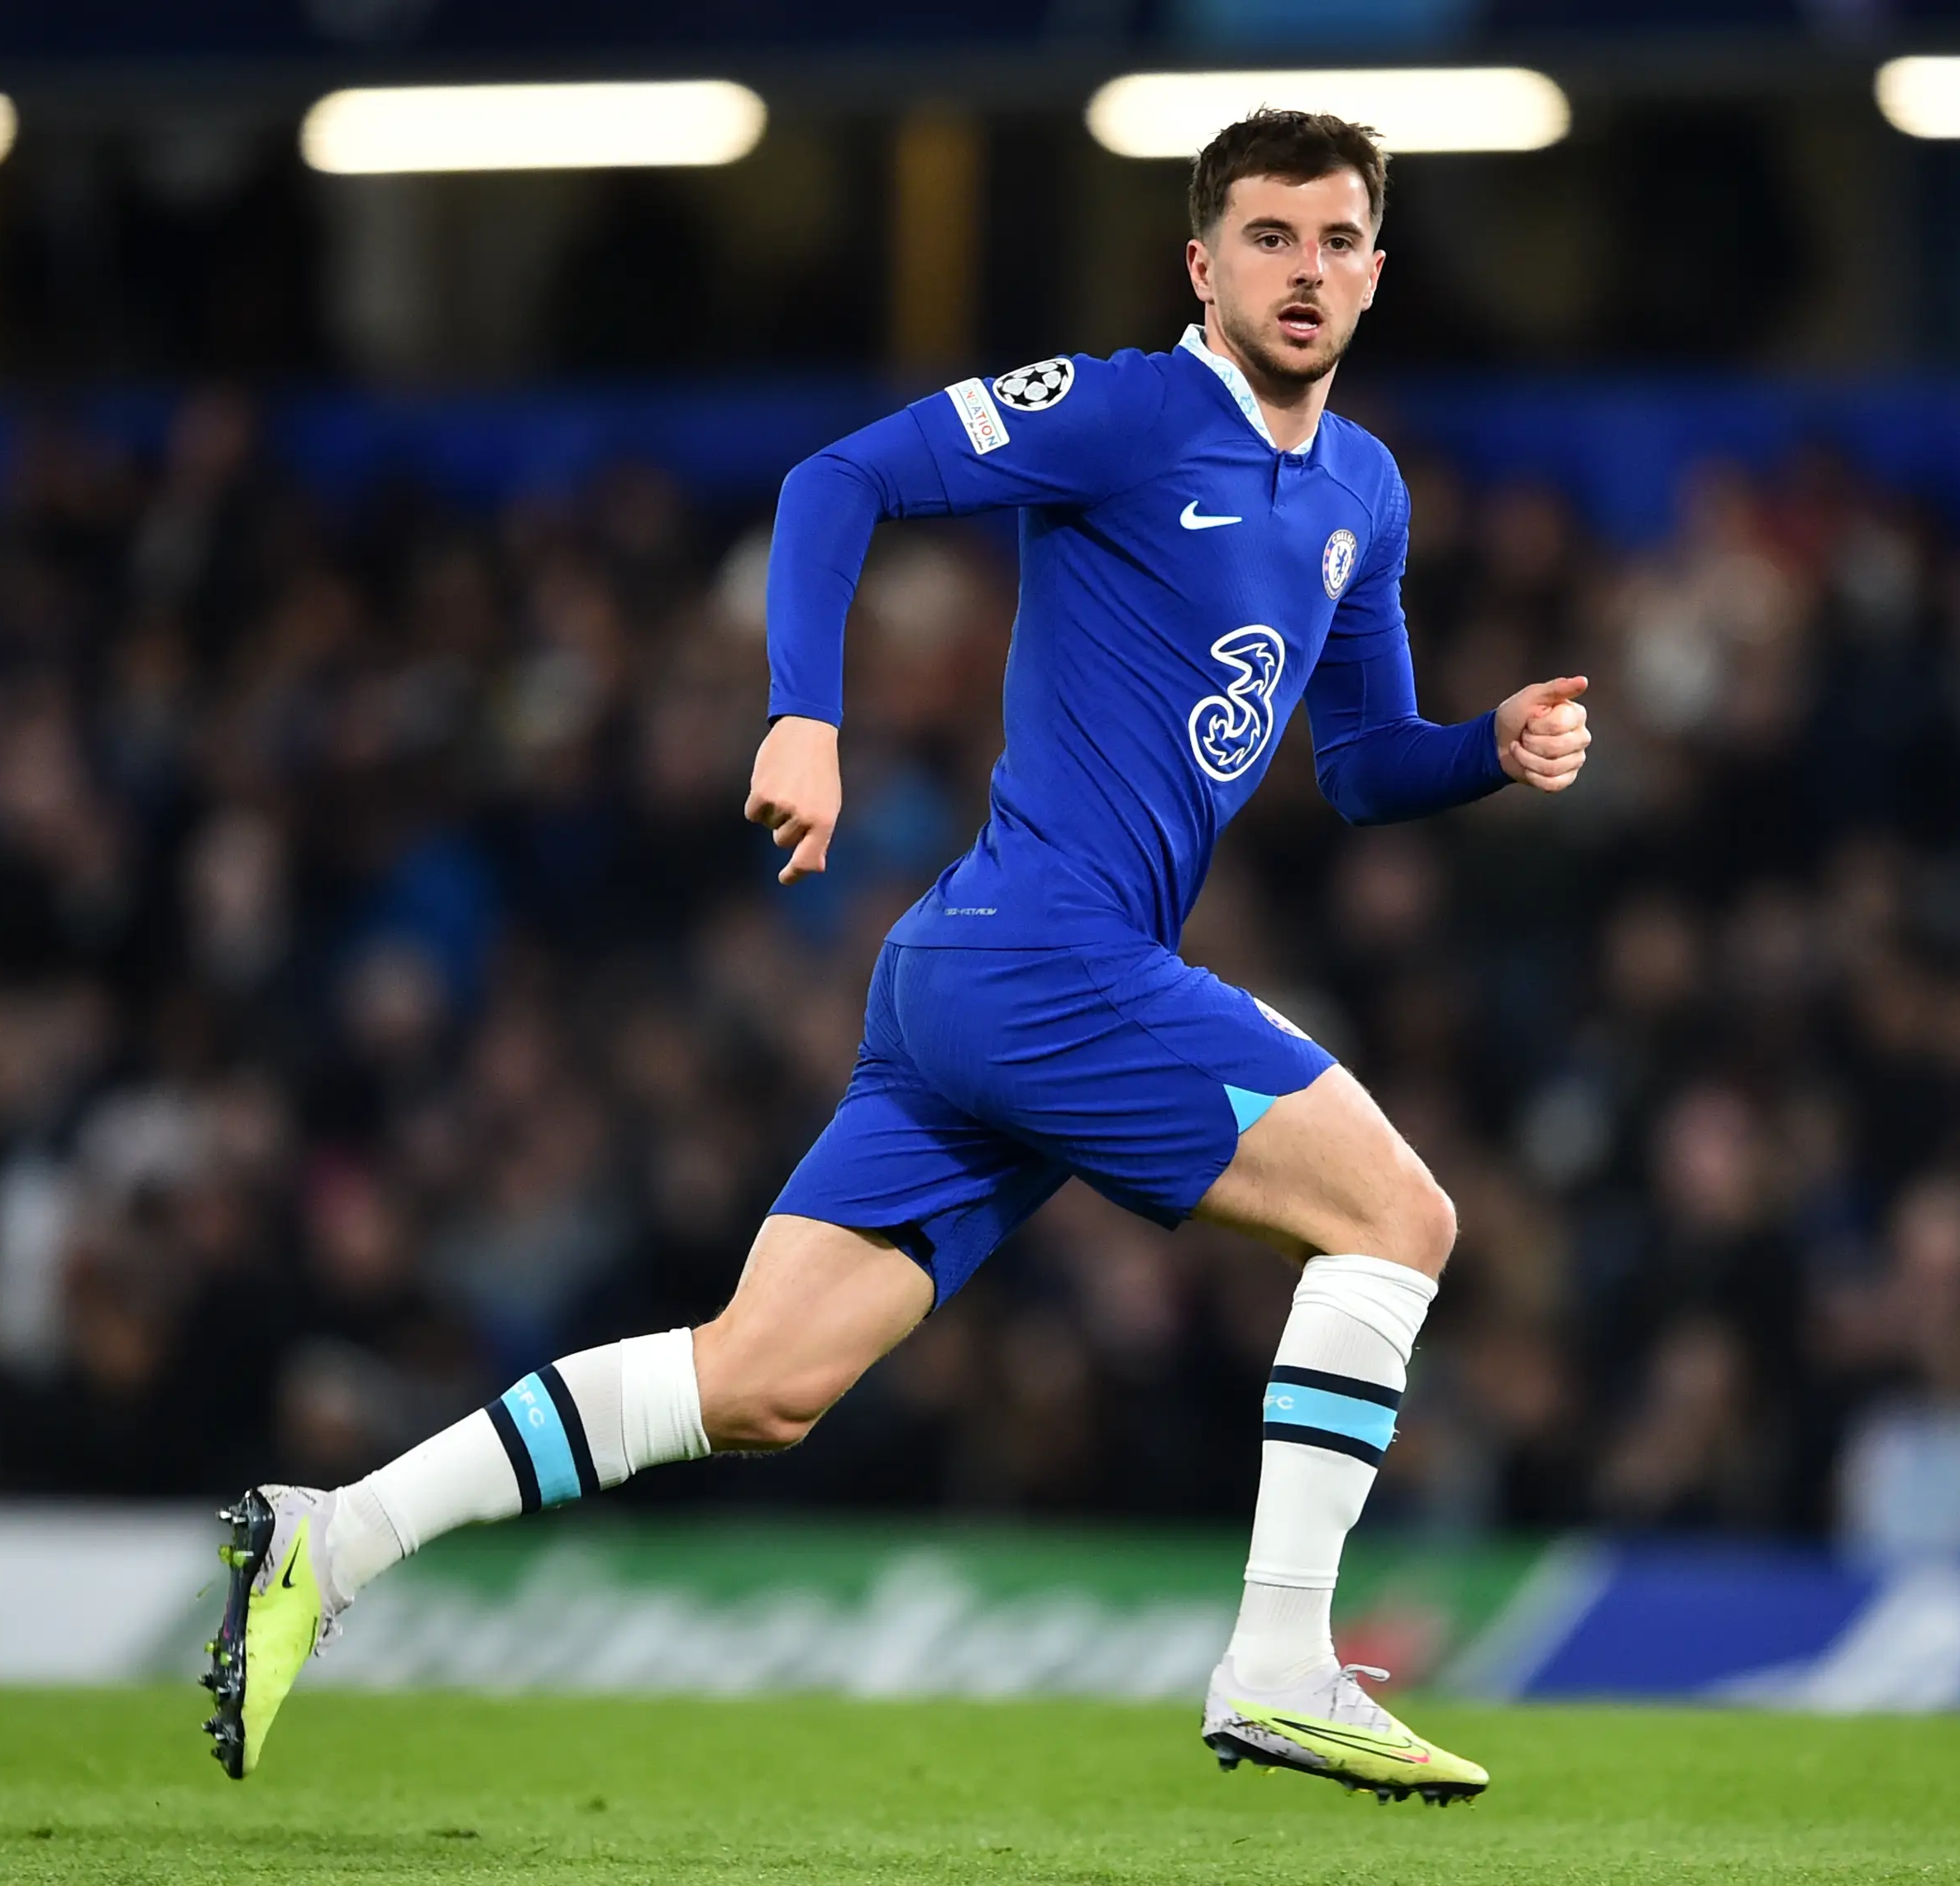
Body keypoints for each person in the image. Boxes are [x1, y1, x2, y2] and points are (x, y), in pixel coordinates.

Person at [202, 108, 1591, 1803]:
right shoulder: (1130, 408)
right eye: (1266, 238)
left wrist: (1486, 747)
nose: (1301, 272)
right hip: (1042, 958)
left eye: (1333, 242)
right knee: (1402, 1216)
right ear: (1199, 264)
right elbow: (832, 478)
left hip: (982, 975)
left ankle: (325, 1545)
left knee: (758, 1382)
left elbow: (1366, 765)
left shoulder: (1358, 492)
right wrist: (804, 715)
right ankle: (1284, 1657)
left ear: (1375, 270)